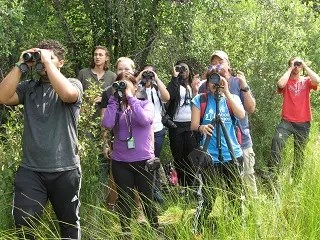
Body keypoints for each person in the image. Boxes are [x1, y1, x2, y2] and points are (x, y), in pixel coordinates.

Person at [0, 40, 82, 239]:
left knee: (68, 225)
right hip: (31, 170)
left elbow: (67, 95)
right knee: (24, 222)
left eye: (50, 58)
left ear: (61, 62)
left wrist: (48, 62)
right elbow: (3, 97)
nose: (43, 62)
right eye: (40, 57)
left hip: (65, 169)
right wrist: (21, 65)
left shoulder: (72, 83)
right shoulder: (28, 88)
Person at [101, 72, 159, 235]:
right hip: (121, 162)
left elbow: (144, 120)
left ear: (135, 87)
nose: (123, 88)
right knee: (124, 200)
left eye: (126, 85)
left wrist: (130, 97)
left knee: (147, 199)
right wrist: (113, 99)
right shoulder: (116, 107)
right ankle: (126, 233)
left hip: (143, 161)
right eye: (120, 84)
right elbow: (107, 123)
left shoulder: (146, 104)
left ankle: (155, 230)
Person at [196, 50, 258, 197]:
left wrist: (244, 86)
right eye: (213, 63)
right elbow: (199, 113)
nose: (217, 66)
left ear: (228, 65)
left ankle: (253, 213)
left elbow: (250, 109)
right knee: (224, 188)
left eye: (220, 62)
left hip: (240, 141)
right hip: (214, 148)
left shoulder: (237, 82)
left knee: (247, 178)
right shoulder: (205, 85)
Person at [190, 69, 245, 233]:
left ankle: (236, 231)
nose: (216, 83)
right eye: (212, 80)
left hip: (232, 155)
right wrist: (202, 127)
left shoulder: (231, 98)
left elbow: (241, 114)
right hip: (209, 157)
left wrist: (227, 91)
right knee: (208, 198)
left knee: (235, 196)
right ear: (207, 83)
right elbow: (193, 125)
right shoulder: (200, 99)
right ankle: (196, 231)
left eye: (219, 79)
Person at [269, 57, 320, 180]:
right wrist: (290, 68)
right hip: (286, 122)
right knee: (277, 141)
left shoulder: (306, 81)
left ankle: (295, 181)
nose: (296, 67)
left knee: (299, 153)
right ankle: (274, 174)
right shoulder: (286, 82)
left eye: (298, 64)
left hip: (303, 123)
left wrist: (305, 66)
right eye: (294, 64)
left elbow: (317, 80)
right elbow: (280, 84)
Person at [100, 57, 136, 211]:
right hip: (118, 141)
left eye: (127, 69)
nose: (123, 72)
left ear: (133, 71)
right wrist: (105, 143)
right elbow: (105, 122)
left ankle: (138, 209)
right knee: (114, 177)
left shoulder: (139, 91)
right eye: (120, 69)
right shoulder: (109, 92)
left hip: (139, 142)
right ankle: (112, 207)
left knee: (138, 176)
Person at [136, 65, 170, 203]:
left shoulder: (156, 88)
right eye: (146, 73)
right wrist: (140, 76)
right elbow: (130, 92)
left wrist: (157, 78)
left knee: (154, 159)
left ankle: (155, 189)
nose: (148, 76)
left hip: (157, 129)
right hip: (142, 130)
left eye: (151, 73)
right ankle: (144, 189)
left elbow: (167, 97)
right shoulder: (137, 89)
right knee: (143, 160)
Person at [166, 61, 199, 188]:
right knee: (178, 156)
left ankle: (193, 185)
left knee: (191, 156)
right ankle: (182, 186)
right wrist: (174, 77)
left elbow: (197, 102)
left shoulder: (191, 85)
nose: (183, 71)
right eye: (180, 69)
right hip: (176, 126)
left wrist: (195, 89)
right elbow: (169, 96)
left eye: (185, 68)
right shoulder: (174, 84)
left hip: (190, 124)